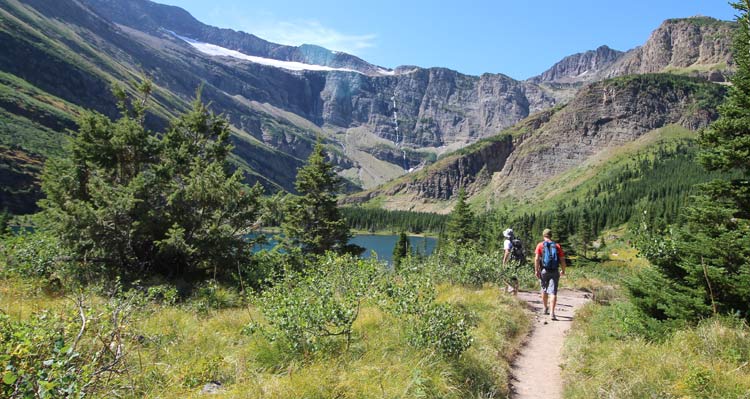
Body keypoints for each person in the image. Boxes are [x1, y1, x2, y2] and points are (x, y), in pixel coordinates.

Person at [534, 228, 566, 320]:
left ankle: (545, 308)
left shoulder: (540, 245)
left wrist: (536, 270)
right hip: (555, 271)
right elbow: (562, 260)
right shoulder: (557, 246)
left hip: (544, 270)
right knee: (553, 291)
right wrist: (563, 270)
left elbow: (536, 259)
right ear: (551, 235)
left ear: (544, 235)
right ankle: (552, 313)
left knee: (544, 289)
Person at [502, 228, 520, 295]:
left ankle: (510, 288)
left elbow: (507, 252)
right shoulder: (514, 241)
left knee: (503, 276)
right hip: (515, 262)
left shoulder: (507, 242)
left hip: (509, 262)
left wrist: (504, 262)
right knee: (514, 278)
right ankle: (514, 295)